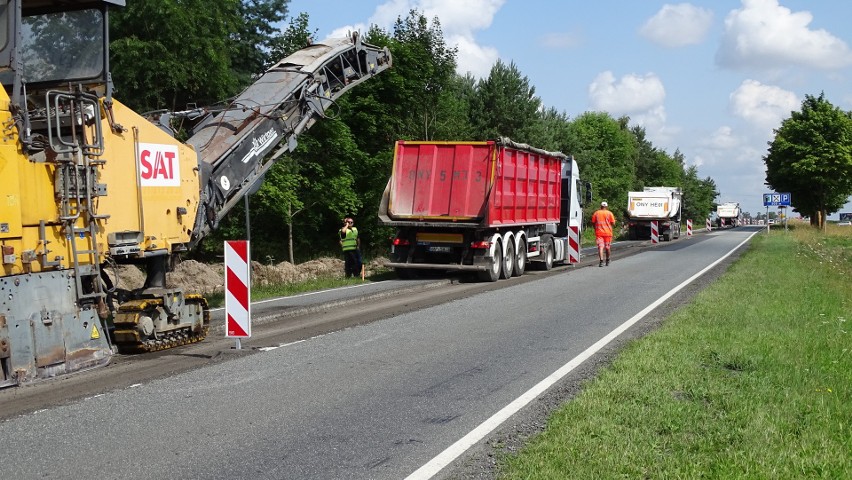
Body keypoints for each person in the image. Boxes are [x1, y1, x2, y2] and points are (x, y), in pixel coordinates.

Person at [591, 201, 616, 267]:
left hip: (599, 233)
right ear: (606, 207)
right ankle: (607, 260)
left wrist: (595, 228)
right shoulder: (609, 213)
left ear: (601, 206)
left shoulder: (596, 213)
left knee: (600, 247)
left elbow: (593, 222)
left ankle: (601, 261)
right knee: (607, 247)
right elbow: (613, 223)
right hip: (608, 233)